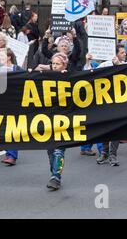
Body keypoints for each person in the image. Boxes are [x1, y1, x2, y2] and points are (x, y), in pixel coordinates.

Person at [93, 45, 127, 166]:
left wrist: (118, 65)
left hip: (118, 102)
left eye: (125, 52)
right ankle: (104, 152)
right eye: (122, 52)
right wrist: (88, 60)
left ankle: (113, 154)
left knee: (116, 129)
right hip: (104, 101)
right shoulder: (105, 65)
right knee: (104, 128)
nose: (125, 54)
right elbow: (91, 75)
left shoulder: (126, 64)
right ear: (116, 53)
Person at [45, 52, 69, 190]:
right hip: (48, 119)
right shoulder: (46, 77)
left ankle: (56, 177)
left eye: (57, 64)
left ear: (64, 65)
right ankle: (54, 172)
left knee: (59, 150)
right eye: (53, 63)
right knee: (50, 150)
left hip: (63, 119)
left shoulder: (69, 78)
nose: (54, 66)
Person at [0, 48, 25, 165]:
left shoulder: (17, 69)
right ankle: (8, 153)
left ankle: (12, 155)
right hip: (1, 102)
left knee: (12, 128)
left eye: (2, 56)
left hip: (14, 102)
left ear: (9, 57)